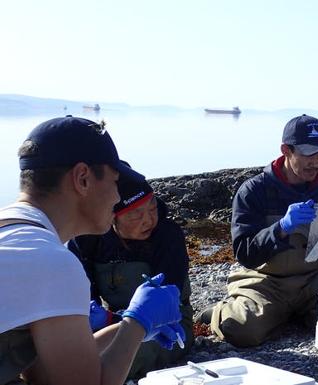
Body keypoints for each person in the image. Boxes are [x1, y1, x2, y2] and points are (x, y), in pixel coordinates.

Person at [0, 116, 184, 385]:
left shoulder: (16, 236)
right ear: (83, 178)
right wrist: (137, 323)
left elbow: (41, 374)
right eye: (114, 181)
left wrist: (128, 328)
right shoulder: (50, 261)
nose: (117, 197)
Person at [194, 114, 318, 347]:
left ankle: (288, 314)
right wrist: (280, 228)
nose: (316, 162)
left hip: (315, 279)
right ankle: (220, 311)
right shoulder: (253, 191)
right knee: (240, 329)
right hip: (265, 281)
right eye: (308, 153)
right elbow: (245, 254)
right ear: (286, 150)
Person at [69, 163, 193, 380]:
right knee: (65, 356)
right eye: (136, 215)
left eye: (153, 208)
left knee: (112, 358)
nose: (148, 220)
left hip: (165, 327)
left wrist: (115, 321)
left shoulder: (167, 235)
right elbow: (81, 297)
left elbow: (167, 301)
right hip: (113, 322)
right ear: (111, 217)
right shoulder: (87, 239)